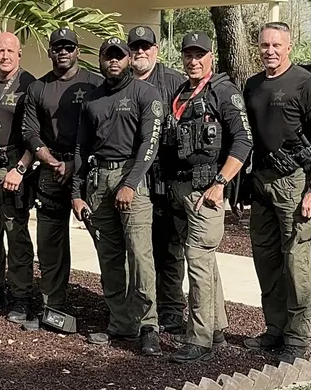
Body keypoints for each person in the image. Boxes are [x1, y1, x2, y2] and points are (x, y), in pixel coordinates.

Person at [70, 37, 166, 352]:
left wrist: (130, 183)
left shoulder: (145, 93)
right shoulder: (92, 99)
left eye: (119, 56)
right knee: (110, 258)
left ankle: (148, 324)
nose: (114, 61)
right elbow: (81, 147)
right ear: (100, 60)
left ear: (127, 60)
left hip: (131, 180)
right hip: (98, 183)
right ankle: (121, 324)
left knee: (139, 255)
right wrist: (77, 191)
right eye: (108, 56)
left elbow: (148, 145)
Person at [161, 32, 252, 363]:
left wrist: (220, 183)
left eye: (200, 54)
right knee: (205, 263)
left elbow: (243, 141)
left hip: (208, 193)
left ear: (211, 57)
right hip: (181, 189)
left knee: (197, 262)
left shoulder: (224, 92)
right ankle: (216, 328)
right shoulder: (181, 93)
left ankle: (198, 340)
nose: (193, 60)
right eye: (188, 54)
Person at [243, 20, 311, 362]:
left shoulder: (306, 84)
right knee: (266, 260)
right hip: (261, 183)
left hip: (295, 183)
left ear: (289, 47)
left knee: (295, 263)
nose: (270, 51)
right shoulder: (252, 86)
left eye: (277, 45)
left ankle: (297, 337)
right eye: (265, 45)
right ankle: (275, 329)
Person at [22, 27, 100, 330]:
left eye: (69, 47)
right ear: (50, 52)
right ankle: (52, 306)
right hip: (51, 172)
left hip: (87, 171)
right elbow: (30, 132)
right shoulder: (39, 88)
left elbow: (105, 128)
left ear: (77, 51)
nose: (63, 52)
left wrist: (75, 162)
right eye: (58, 47)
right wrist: (54, 161)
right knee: (50, 243)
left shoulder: (95, 83)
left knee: (104, 240)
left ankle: (121, 312)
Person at [127, 24, 190, 335]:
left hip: (166, 178)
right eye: (135, 47)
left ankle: (173, 310)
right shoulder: (119, 82)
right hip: (131, 180)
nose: (141, 52)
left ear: (157, 50)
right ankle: (140, 307)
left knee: (169, 248)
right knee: (138, 249)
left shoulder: (175, 84)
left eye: (146, 47)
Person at [0, 30, 40, 323]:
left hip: (14, 165)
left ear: (19, 54)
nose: (4, 56)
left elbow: (36, 136)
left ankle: (22, 296)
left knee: (16, 234)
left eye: (10, 51)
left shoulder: (30, 86)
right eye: (0, 51)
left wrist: (21, 168)